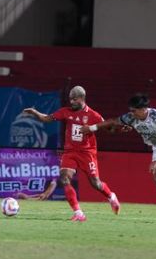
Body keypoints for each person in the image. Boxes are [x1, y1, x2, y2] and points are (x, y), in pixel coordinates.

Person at [81, 93, 156, 225]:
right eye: (130, 110)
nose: (131, 113)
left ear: (143, 109)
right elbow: (113, 121)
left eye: (134, 111)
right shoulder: (131, 118)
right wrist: (91, 128)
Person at [23, 85, 120, 221]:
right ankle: (78, 213)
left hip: (87, 153)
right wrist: (34, 112)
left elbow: (108, 128)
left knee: (95, 183)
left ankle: (111, 196)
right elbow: (47, 118)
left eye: (74, 99)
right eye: (70, 99)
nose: (72, 102)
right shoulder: (65, 111)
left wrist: (120, 129)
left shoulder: (93, 115)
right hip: (70, 152)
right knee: (64, 178)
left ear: (82, 98)